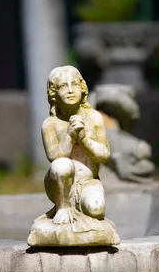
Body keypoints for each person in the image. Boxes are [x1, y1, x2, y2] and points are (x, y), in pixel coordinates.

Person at [37, 65, 111, 232]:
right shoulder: (50, 124)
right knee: (62, 165)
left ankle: (79, 207)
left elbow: (104, 155)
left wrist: (84, 139)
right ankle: (63, 207)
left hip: (88, 182)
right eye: (63, 86)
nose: (70, 90)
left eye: (74, 84)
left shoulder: (94, 118)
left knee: (96, 209)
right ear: (54, 93)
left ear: (82, 87)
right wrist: (70, 136)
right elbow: (54, 157)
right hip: (58, 184)